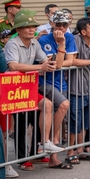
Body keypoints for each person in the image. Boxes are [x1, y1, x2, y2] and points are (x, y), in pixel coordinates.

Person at [4, 9, 66, 169]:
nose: (32, 29)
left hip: (29, 87)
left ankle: (44, 142)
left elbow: (47, 61)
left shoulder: (35, 43)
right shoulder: (12, 43)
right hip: (13, 90)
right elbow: (13, 65)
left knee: (47, 105)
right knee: (20, 125)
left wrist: (53, 58)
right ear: (18, 29)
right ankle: (18, 161)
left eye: (33, 26)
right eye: (27, 26)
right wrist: (40, 66)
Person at [38, 10, 76, 158]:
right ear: (52, 24)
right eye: (58, 25)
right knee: (64, 105)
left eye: (64, 25)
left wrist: (61, 60)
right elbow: (58, 65)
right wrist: (61, 45)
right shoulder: (44, 40)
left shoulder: (69, 37)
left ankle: (53, 155)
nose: (61, 28)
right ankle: (49, 141)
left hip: (61, 83)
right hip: (45, 82)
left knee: (60, 115)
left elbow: (70, 61)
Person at [67, 17, 90, 164]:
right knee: (75, 120)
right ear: (83, 31)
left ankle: (81, 149)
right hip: (75, 87)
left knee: (86, 121)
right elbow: (72, 60)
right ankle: (71, 150)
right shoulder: (75, 40)